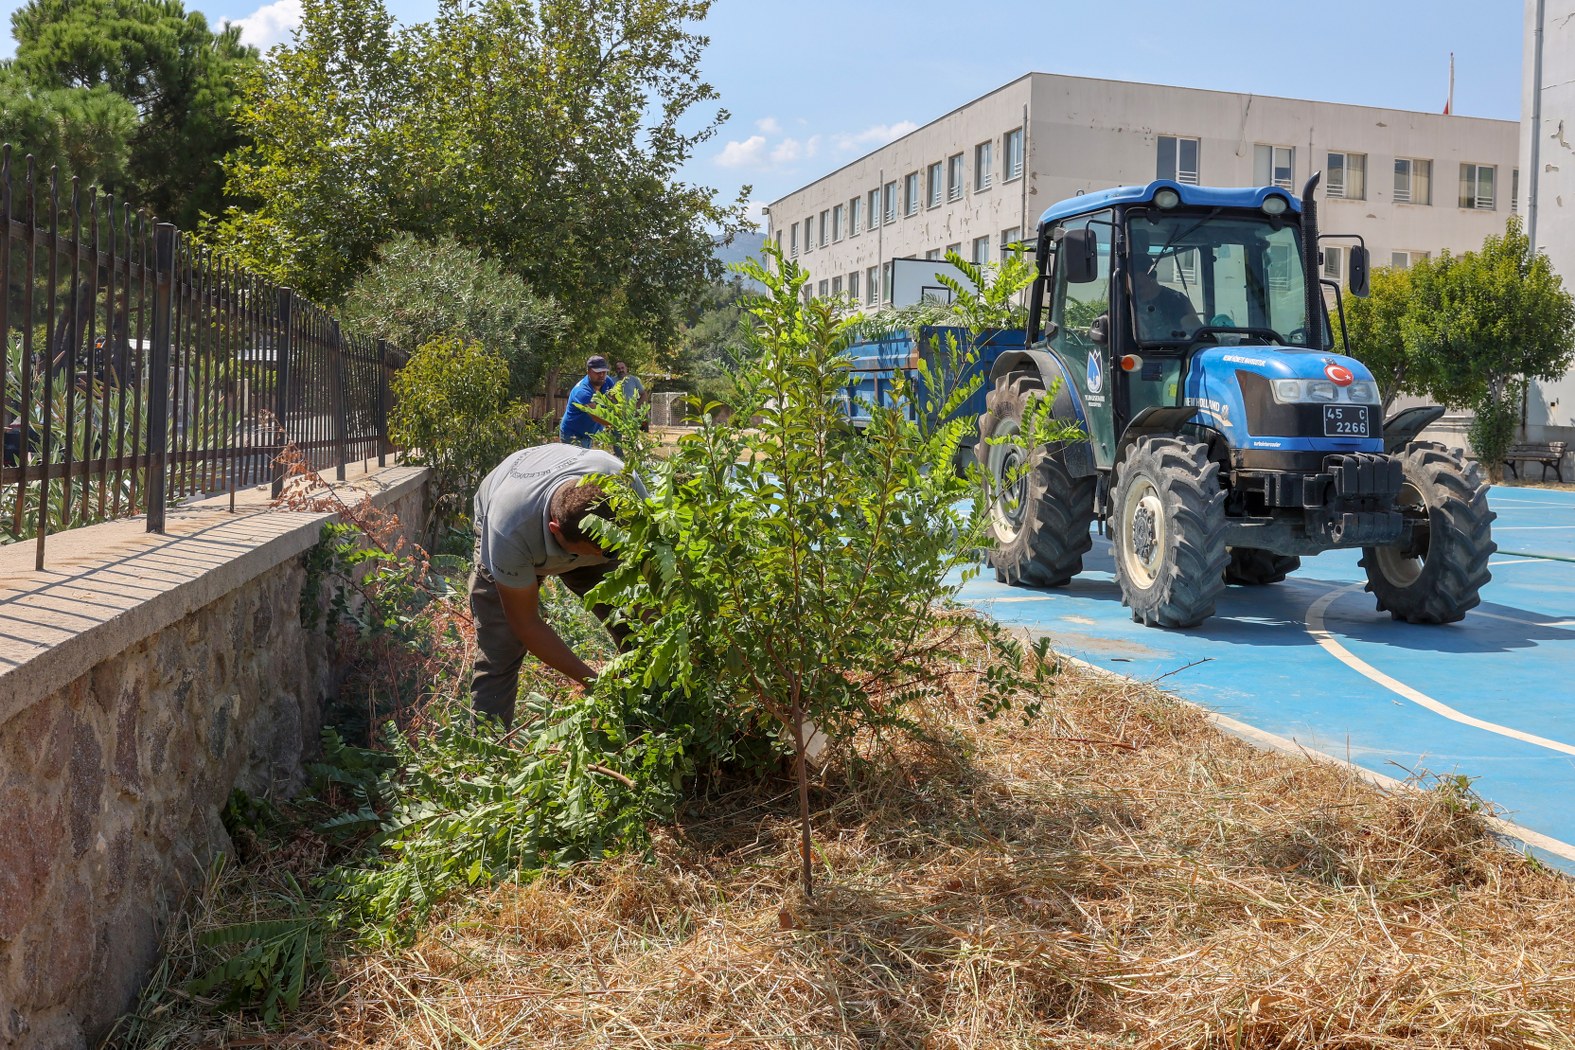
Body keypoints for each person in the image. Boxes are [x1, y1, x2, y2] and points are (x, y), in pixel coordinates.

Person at [469, 442, 633, 726]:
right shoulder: (508, 530)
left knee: (636, 629)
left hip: (571, 529)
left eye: (608, 549)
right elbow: (526, 625)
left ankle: (646, 717)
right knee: (501, 652)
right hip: (513, 531)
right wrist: (594, 683)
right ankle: (488, 754)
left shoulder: (621, 487)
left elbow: (652, 577)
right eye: (590, 551)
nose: (600, 557)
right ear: (555, 530)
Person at [560, 355, 616, 447]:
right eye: (597, 372)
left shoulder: (607, 381)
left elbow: (616, 398)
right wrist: (620, 424)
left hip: (588, 433)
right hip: (572, 435)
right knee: (577, 461)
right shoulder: (582, 392)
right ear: (588, 372)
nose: (601, 375)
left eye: (604, 372)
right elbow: (597, 415)